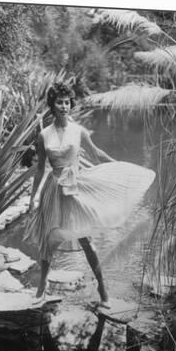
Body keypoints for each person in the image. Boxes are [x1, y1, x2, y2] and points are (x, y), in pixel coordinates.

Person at [24, 82, 155, 307]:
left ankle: (103, 290)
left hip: (76, 187)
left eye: (67, 102)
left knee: (86, 241)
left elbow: (96, 153)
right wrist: (32, 199)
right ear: (52, 105)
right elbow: (39, 170)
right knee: (49, 240)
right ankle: (41, 289)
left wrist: (120, 167)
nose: (64, 106)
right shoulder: (44, 135)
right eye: (59, 102)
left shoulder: (78, 131)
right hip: (53, 190)